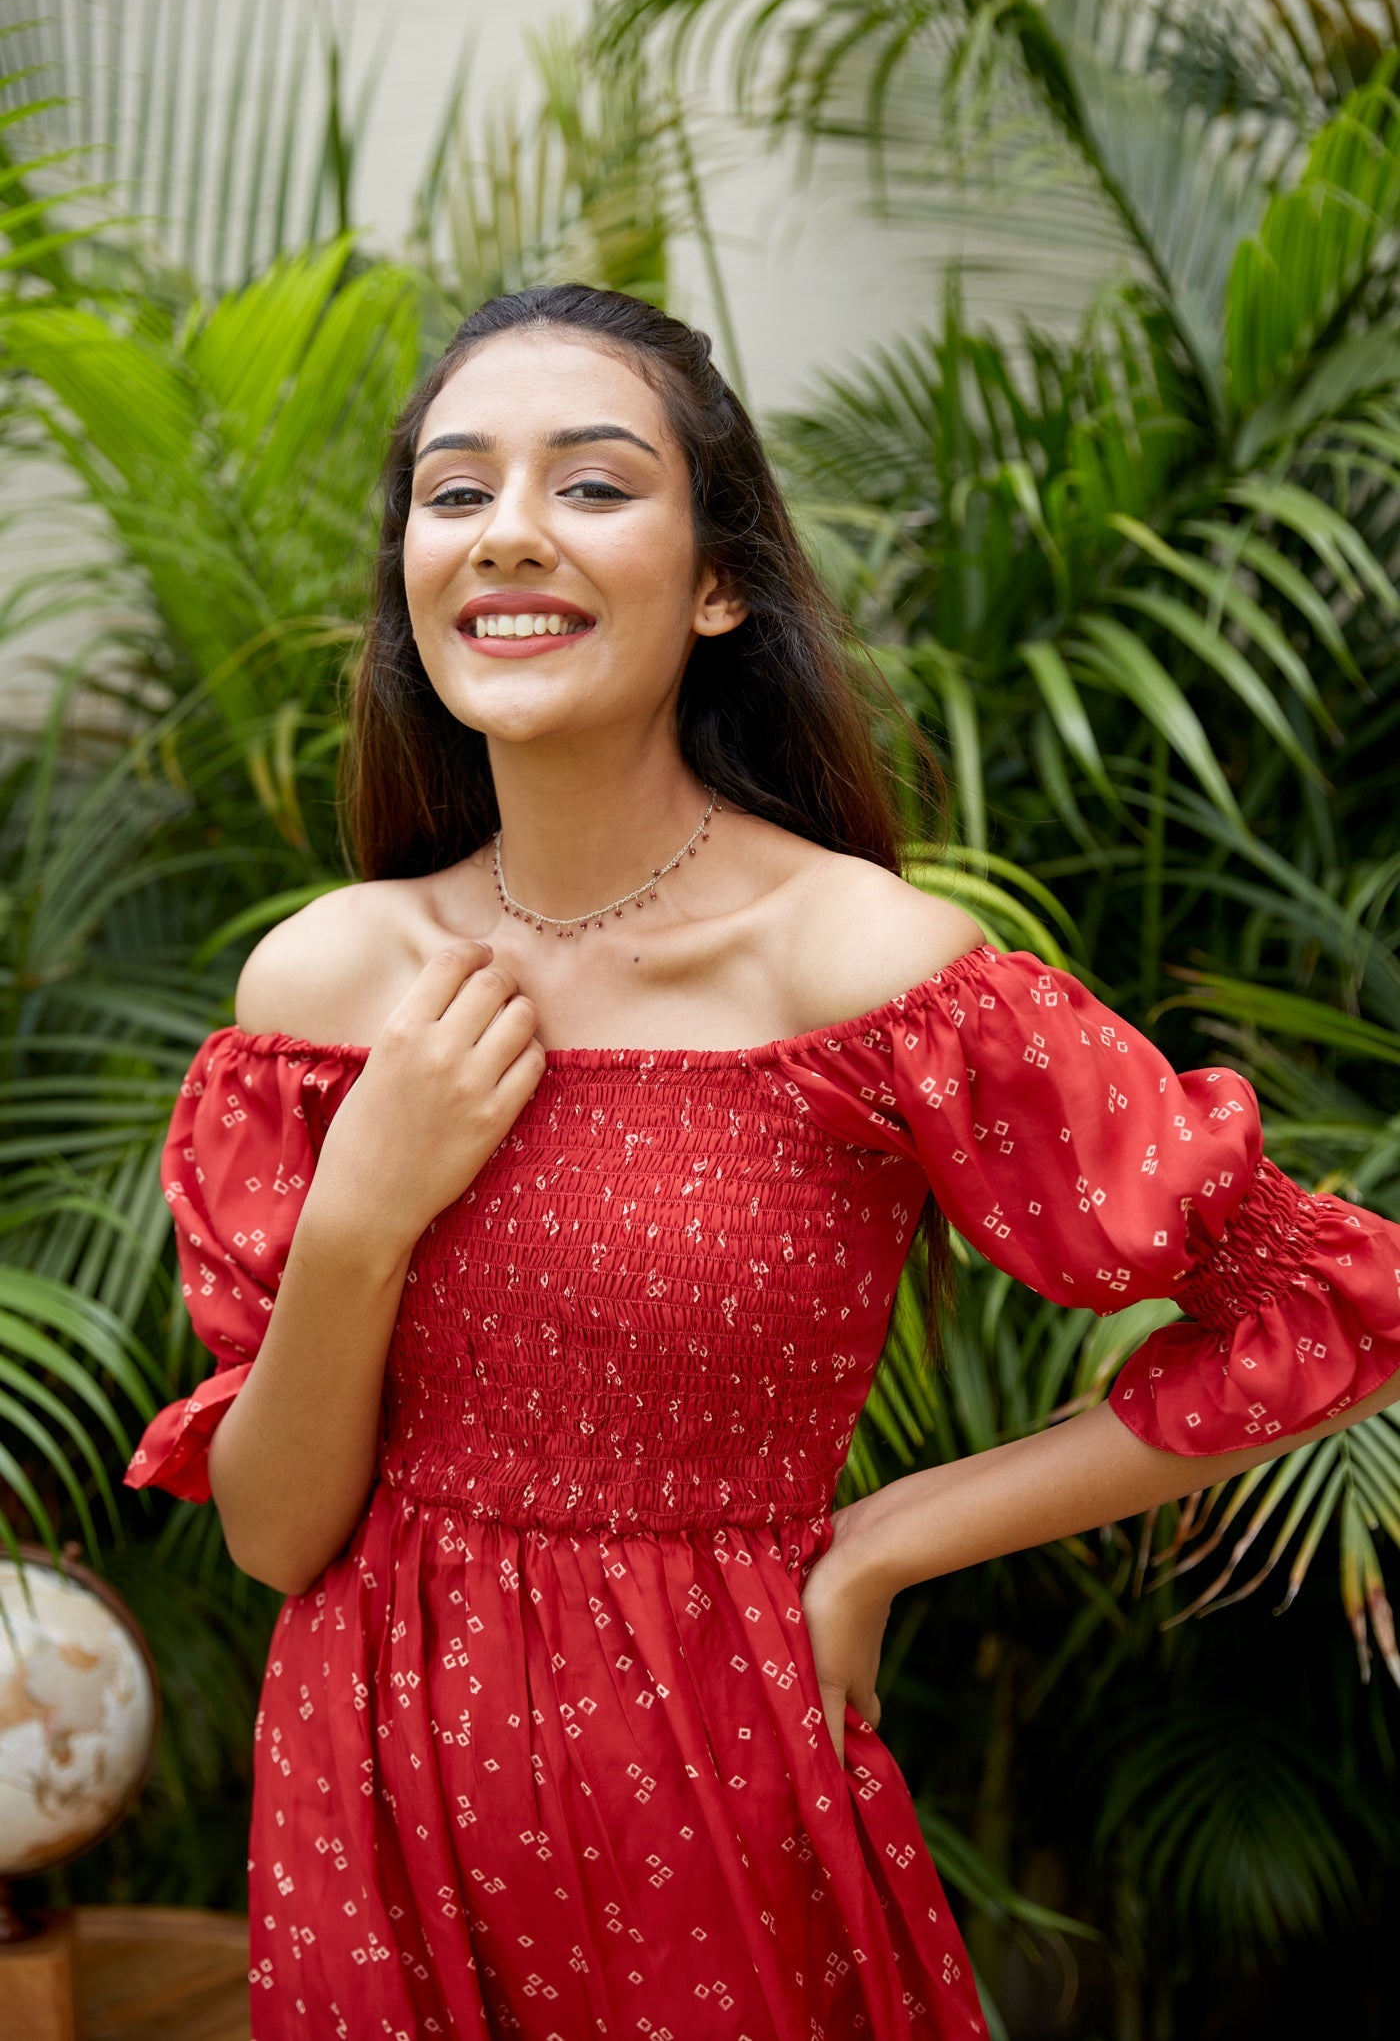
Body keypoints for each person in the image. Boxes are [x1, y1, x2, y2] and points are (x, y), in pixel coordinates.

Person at [124, 283, 1400, 2041]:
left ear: (718, 582)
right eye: (454, 488)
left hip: (711, 1791)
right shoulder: (326, 986)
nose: (509, 532)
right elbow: (278, 1537)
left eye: (590, 485)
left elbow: (1329, 1303)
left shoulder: (858, 973)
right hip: (376, 1797)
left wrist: (882, 1547)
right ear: (412, 580)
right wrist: (364, 1205)